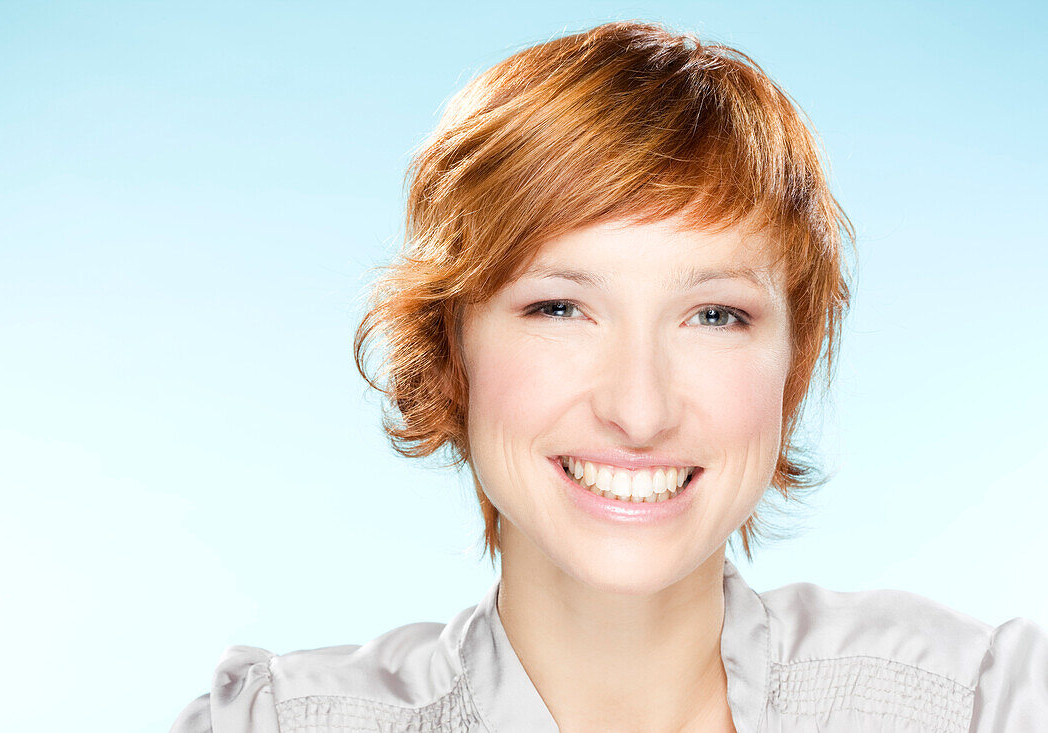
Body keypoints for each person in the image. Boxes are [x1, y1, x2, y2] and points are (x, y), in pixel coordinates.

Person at [170, 20, 1048, 733]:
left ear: (793, 365)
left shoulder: (982, 705)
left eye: (715, 315)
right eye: (559, 308)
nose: (639, 408)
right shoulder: (276, 726)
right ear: (450, 350)